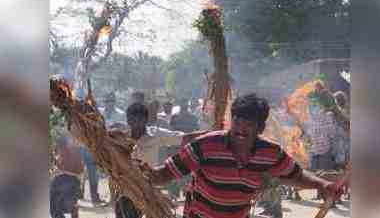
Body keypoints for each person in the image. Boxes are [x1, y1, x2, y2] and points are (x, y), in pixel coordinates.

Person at [121, 93, 341, 218]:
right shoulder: (205, 146)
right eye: (237, 122)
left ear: (260, 128)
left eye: (248, 125)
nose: (240, 130)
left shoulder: (270, 152)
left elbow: (295, 175)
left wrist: (322, 184)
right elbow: (165, 174)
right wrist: (140, 172)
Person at [114, 103, 183, 218]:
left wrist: (210, 136)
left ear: (146, 120)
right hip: (126, 190)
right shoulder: (121, 138)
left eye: (139, 120)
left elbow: (182, 138)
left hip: (148, 188)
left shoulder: (156, 134)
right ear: (128, 121)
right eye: (132, 120)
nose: (136, 124)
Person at [50, 135, 84, 218]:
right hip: (74, 183)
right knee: (72, 206)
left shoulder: (63, 153)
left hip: (63, 182)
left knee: (54, 208)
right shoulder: (76, 152)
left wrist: (60, 171)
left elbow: (60, 169)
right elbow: (80, 171)